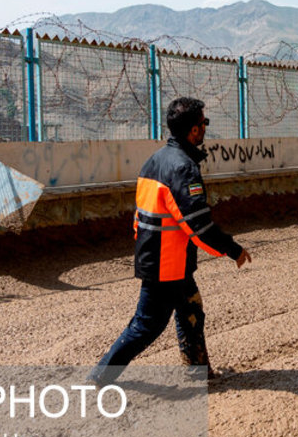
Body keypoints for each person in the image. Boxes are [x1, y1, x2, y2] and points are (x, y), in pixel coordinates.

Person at [90, 97, 251, 384]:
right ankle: (100, 376)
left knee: (190, 308)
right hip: (167, 263)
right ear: (193, 131)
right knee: (146, 325)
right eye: (204, 123)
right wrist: (232, 249)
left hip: (162, 255)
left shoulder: (154, 161)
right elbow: (198, 224)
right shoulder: (183, 168)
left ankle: (198, 370)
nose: (205, 128)